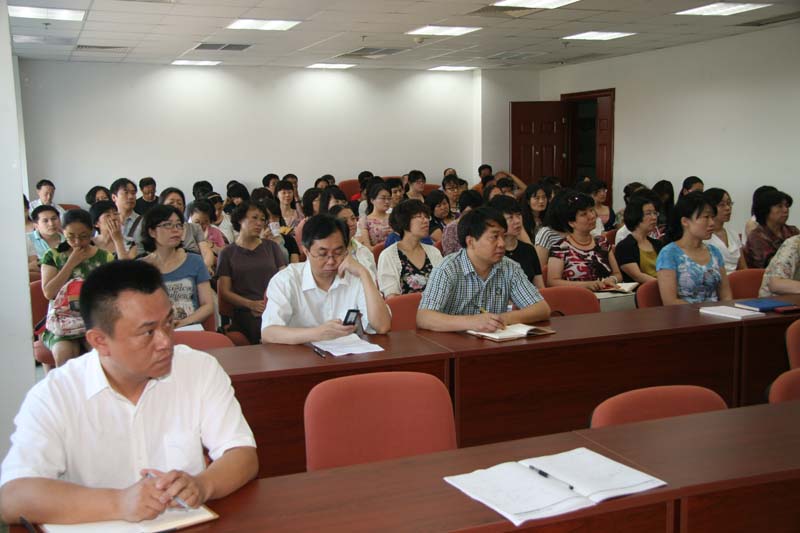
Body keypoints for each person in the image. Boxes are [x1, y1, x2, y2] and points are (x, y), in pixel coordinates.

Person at [0, 260, 257, 526]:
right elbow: (11, 498)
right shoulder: (56, 394)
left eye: (168, 323)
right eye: (148, 332)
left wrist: (202, 485)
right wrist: (119, 503)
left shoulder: (199, 369)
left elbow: (242, 454)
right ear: (99, 341)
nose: (166, 341)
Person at [261, 214, 391, 344]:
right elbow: (268, 332)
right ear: (306, 251)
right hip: (301, 354)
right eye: (322, 254)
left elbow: (382, 326)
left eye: (338, 253)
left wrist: (364, 273)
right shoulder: (286, 280)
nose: (331, 261)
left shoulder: (355, 276)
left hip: (347, 353)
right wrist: (318, 333)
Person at [417, 207, 550, 332]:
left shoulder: (509, 267)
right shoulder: (447, 268)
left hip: (495, 342)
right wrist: (472, 322)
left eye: (503, 236)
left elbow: (541, 309)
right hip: (452, 344)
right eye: (494, 237)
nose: (502, 244)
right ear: (470, 242)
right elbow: (424, 317)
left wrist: (499, 319)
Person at [40, 209, 115, 366]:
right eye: (71, 236)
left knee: (101, 353)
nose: (77, 242)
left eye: (83, 236)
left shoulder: (105, 257)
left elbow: (112, 294)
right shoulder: (52, 256)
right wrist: (70, 263)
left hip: (94, 319)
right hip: (62, 322)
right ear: (62, 232)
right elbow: (49, 292)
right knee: (64, 353)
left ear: (91, 232)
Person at [217, 202, 288, 344]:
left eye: (263, 219)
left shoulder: (271, 247)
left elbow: (285, 280)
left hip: (274, 305)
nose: (259, 223)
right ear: (240, 220)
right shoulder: (227, 253)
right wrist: (250, 304)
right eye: (254, 218)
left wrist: (273, 304)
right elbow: (224, 291)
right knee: (260, 327)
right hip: (245, 310)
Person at [140, 205, 213, 329]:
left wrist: (182, 323)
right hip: (156, 331)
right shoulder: (141, 268)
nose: (176, 230)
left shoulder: (195, 261)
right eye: (168, 225)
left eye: (179, 225)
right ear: (152, 231)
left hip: (189, 328)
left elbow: (208, 305)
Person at [657, 192, 732, 304]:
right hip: (685, 314)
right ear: (685, 221)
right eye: (706, 217)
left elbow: (726, 296)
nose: (712, 223)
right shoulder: (669, 254)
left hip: (716, 313)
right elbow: (670, 301)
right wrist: (704, 311)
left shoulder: (714, 252)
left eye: (712, 217)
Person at [547, 192, 622, 291]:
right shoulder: (560, 248)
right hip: (576, 296)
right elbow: (552, 282)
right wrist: (585, 285)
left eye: (591, 210)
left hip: (607, 295)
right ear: (571, 223)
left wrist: (612, 279)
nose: (592, 216)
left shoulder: (602, 242)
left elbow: (617, 274)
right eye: (583, 214)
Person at [377, 200, 443, 298]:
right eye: (419, 216)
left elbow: (444, 288)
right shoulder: (388, 255)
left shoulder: (433, 252)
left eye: (426, 216)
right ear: (404, 221)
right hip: (405, 307)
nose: (425, 220)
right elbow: (392, 298)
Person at [489, 195, 544, 288]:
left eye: (518, 215)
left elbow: (540, 288)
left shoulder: (529, 250)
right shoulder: (492, 252)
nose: (517, 221)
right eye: (510, 217)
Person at [158, 188, 216, 273]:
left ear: (184, 208)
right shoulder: (156, 229)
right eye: (171, 202)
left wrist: (206, 267)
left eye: (179, 203)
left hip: (194, 271)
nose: (176, 206)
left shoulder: (195, 228)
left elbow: (206, 251)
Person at [743, 189, 798, 269]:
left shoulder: (793, 231)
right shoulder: (756, 236)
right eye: (780, 206)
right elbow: (772, 264)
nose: (786, 210)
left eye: (787, 206)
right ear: (766, 210)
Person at [615, 194, 663, 283]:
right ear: (635, 216)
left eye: (655, 213)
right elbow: (637, 276)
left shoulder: (658, 244)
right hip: (643, 288)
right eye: (648, 213)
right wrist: (665, 285)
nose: (654, 217)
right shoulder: (625, 247)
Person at [703, 188, 746, 273]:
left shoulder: (733, 234)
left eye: (729, 203)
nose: (728, 208)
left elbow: (743, 267)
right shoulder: (704, 237)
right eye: (722, 205)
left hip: (737, 278)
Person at [329, 204, 377, 277]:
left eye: (353, 218)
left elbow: (375, 278)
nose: (351, 223)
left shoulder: (363, 250)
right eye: (344, 221)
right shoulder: (330, 256)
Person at [442, 190, 483, 256]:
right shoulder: (451, 228)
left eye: (477, 212)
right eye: (469, 212)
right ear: (462, 209)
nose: (473, 215)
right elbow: (449, 256)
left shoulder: (483, 225)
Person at [260, 198, 301, 263]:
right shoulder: (254, 242)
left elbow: (295, 265)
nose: (272, 221)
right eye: (267, 218)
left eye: (275, 217)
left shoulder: (289, 239)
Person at [356, 182, 393, 250]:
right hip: (376, 254)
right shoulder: (365, 221)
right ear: (372, 200)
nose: (387, 201)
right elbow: (367, 247)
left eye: (389, 198)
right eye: (383, 198)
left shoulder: (395, 217)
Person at [109, 177, 141, 254]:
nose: (131, 197)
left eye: (133, 193)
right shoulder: (108, 221)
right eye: (126, 192)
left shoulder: (143, 222)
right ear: (114, 197)